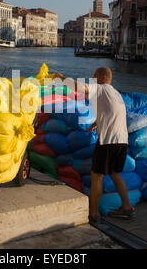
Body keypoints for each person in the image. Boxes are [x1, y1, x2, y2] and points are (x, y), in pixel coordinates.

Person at [54, 68, 135, 223]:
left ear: (103, 78)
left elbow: (82, 88)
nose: (92, 78)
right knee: (115, 174)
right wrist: (95, 123)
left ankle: (93, 213)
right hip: (122, 140)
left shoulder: (101, 87)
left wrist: (63, 79)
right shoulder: (115, 93)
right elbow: (111, 113)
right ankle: (126, 208)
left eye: (95, 76)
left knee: (96, 176)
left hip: (108, 141)